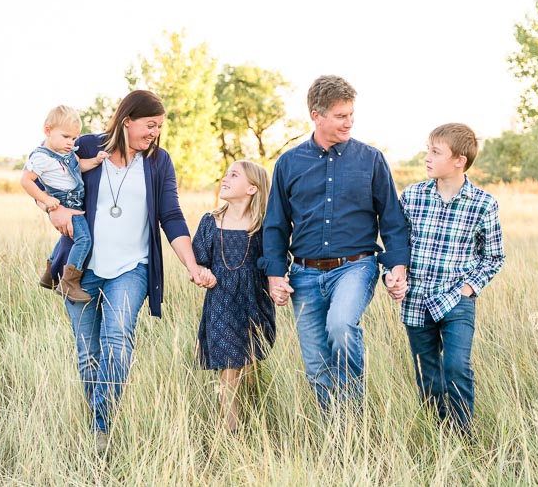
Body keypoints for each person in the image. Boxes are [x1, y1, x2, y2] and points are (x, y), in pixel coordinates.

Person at [41, 90, 217, 456]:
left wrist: (192, 265)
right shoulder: (87, 146)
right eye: (150, 125)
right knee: (88, 354)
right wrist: (52, 210)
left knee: (118, 341)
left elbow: (170, 216)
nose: (155, 133)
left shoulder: (158, 162)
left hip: (132, 268)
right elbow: (43, 172)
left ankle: (101, 428)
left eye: (159, 127)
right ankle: (96, 421)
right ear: (127, 121)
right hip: (81, 269)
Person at [259, 75, 409, 412]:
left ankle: (354, 419)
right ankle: (336, 437)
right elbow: (276, 226)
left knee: (341, 326)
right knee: (315, 365)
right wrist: (274, 274)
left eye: (351, 114)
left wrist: (397, 266)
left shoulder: (370, 159)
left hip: (356, 267)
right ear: (317, 115)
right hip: (304, 275)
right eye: (341, 116)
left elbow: (392, 219)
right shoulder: (288, 163)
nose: (349, 122)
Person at [399, 123, 505, 436]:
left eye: (436, 152)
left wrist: (468, 288)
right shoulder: (413, 196)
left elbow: (494, 257)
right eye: (428, 149)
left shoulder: (483, 204)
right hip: (416, 299)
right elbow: (396, 244)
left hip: (456, 300)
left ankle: (462, 435)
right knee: (427, 373)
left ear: (459, 160)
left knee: (456, 366)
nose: (427, 157)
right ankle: (438, 432)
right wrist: (394, 273)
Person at [193, 160, 276, 432]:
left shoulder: (263, 226)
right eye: (226, 174)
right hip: (221, 302)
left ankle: (255, 416)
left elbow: (275, 261)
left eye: (234, 175)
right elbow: (199, 262)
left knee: (248, 364)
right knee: (229, 365)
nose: (225, 179)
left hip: (254, 302)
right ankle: (229, 431)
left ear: (252, 188)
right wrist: (202, 274)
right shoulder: (211, 222)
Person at [20, 105, 108, 302]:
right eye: (66, 137)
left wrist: (96, 160)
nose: (70, 142)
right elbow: (26, 181)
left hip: (76, 202)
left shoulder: (67, 153)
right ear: (48, 130)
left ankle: (50, 274)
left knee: (68, 238)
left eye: (74, 138)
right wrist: (46, 199)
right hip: (66, 204)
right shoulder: (41, 157)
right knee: (83, 240)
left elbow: (80, 167)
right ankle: (69, 282)